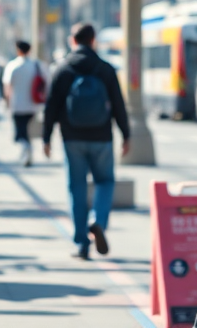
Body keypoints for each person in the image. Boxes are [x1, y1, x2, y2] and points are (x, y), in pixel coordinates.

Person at [42, 23, 130, 260]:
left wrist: (46, 137)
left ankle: (82, 243)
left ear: (73, 41)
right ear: (93, 41)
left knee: (76, 188)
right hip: (102, 137)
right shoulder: (105, 69)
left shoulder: (63, 69)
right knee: (105, 181)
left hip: (72, 138)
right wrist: (126, 134)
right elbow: (119, 104)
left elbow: (52, 106)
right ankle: (98, 221)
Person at [2, 40, 45, 167]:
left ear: (18, 50)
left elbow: (7, 87)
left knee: (20, 132)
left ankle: (26, 149)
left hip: (17, 104)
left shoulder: (13, 66)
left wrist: (7, 102)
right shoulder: (37, 65)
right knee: (28, 130)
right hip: (34, 104)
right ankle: (27, 150)